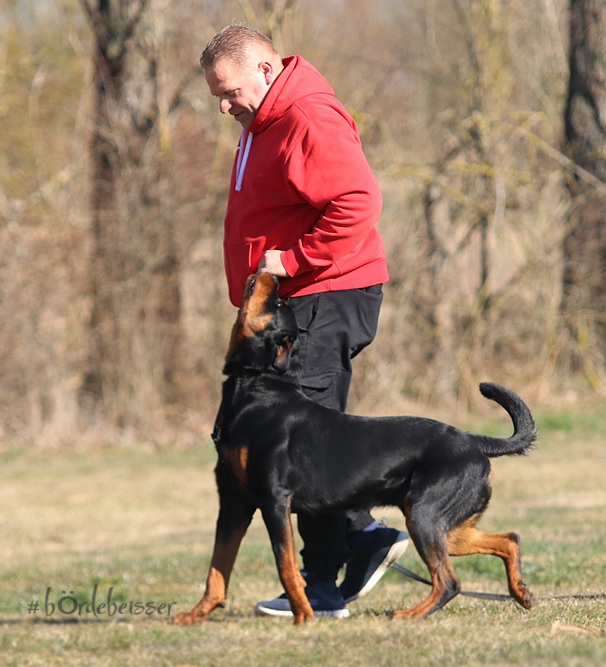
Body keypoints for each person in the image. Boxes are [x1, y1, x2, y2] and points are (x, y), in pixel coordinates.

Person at [201, 24, 408, 619]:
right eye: (216, 95)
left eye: (230, 92)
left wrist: (291, 261)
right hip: (296, 300)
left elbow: (359, 202)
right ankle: (363, 535)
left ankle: (321, 588)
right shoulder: (262, 120)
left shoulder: (306, 118)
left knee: (303, 443)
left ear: (265, 70)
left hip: (325, 294)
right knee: (291, 434)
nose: (223, 106)